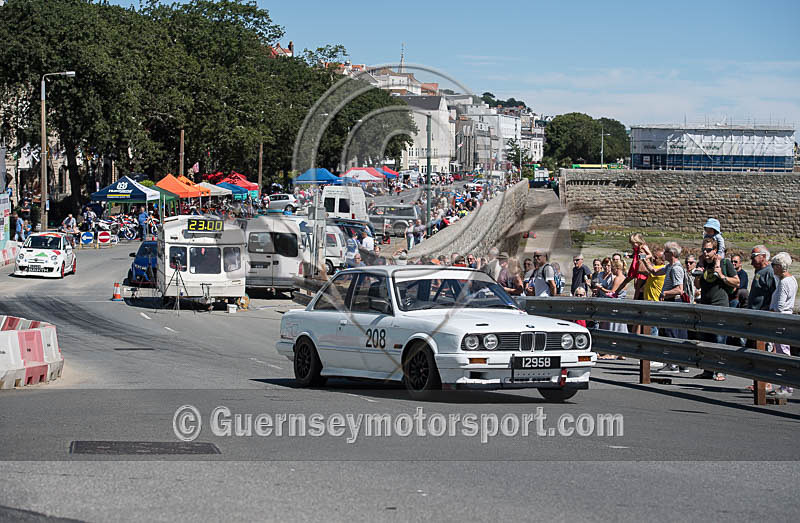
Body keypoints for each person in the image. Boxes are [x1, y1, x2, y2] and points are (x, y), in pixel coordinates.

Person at [694, 237, 739, 381]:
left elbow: (737, 282)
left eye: (708, 250)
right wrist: (699, 271)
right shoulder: (703, 265)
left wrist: (721, 276)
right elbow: (698, 286)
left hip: (720, 306)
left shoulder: (725, 263)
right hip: (705, 307)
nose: (705, 253)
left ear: (715, 251)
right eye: (703, 250)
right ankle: (707, 370)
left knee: (719, 339)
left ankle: (721, 371)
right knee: (705, 339)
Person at [768, 252, 796, 397]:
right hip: (787, 318)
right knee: (784, 351)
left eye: (774, 265)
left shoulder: (784, 282)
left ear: (779, 266)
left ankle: (786, 385)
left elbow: (779, 306)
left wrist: (770, 314)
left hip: (781, 321)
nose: (772, 268)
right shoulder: (792, 280)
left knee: (782, 353)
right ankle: (785, 384)